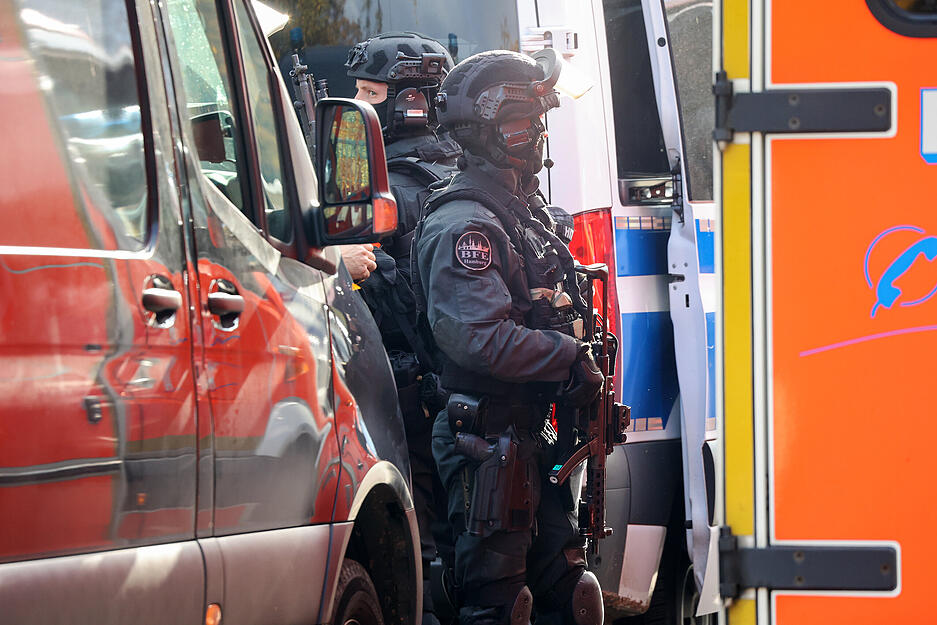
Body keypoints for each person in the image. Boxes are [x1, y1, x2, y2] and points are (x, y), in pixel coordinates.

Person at [411, 49, 605, 625]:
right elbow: (480, 339)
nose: (536, 135)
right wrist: (568, 356)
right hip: (485, 440)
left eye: (538, 122)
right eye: (521, 124)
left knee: (571, 597)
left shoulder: (521, 211)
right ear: (484, 133)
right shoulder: (466, 225)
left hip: (532, 432)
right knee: (499, 608)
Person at [342, 31, 463, 625]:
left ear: (409, 102)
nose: (355, 105)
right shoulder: (463, 172)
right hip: (448, 392)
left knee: (425, 554)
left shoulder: (391, 187)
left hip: (406, 390)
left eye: (368, 94)